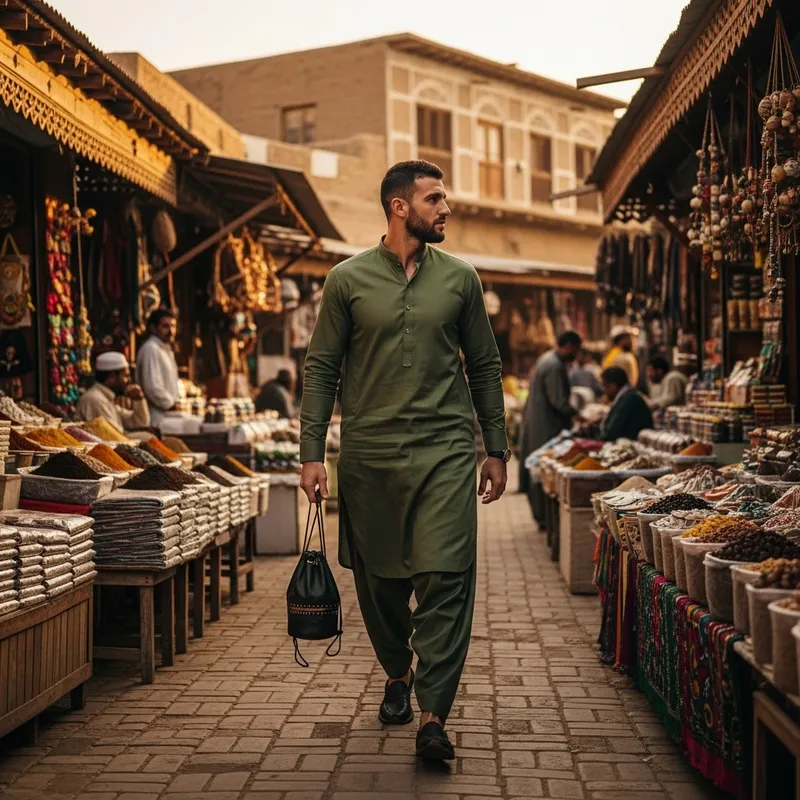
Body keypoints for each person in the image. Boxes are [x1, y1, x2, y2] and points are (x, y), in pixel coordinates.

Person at [299, 160, 507, 762]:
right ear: (399, 207)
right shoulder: (346, 280)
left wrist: (495, 447)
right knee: (381, 580)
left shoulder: (461, 279)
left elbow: (485, 365)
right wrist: (312, 453)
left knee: (446, 576)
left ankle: (434, 716)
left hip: (445, 452)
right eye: (435, 199)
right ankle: (397, 672)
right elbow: (321, 369)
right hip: (370, 457)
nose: (446, 210)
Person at [76, 351, 150, 431]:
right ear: (112, 377)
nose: (129, 380)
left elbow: (140, 423)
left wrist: (138, 400)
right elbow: (113, 436)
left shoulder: (106, 398)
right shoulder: (95, 399)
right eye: (126, 376)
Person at [136, 309, 180, 426]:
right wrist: (171, 405)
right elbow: (152, 387)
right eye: (165, 326)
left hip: (167, 416)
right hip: (156, 418)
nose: (171, 331)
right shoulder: (150, 348)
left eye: (173, 326)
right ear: (153, 328)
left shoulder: (165, 349)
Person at [600, 366, 653, 441]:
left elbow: (611, 433)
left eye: (605, 386)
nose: (604, 390)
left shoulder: (629, 399)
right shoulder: (627, 396)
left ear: (613, 385)